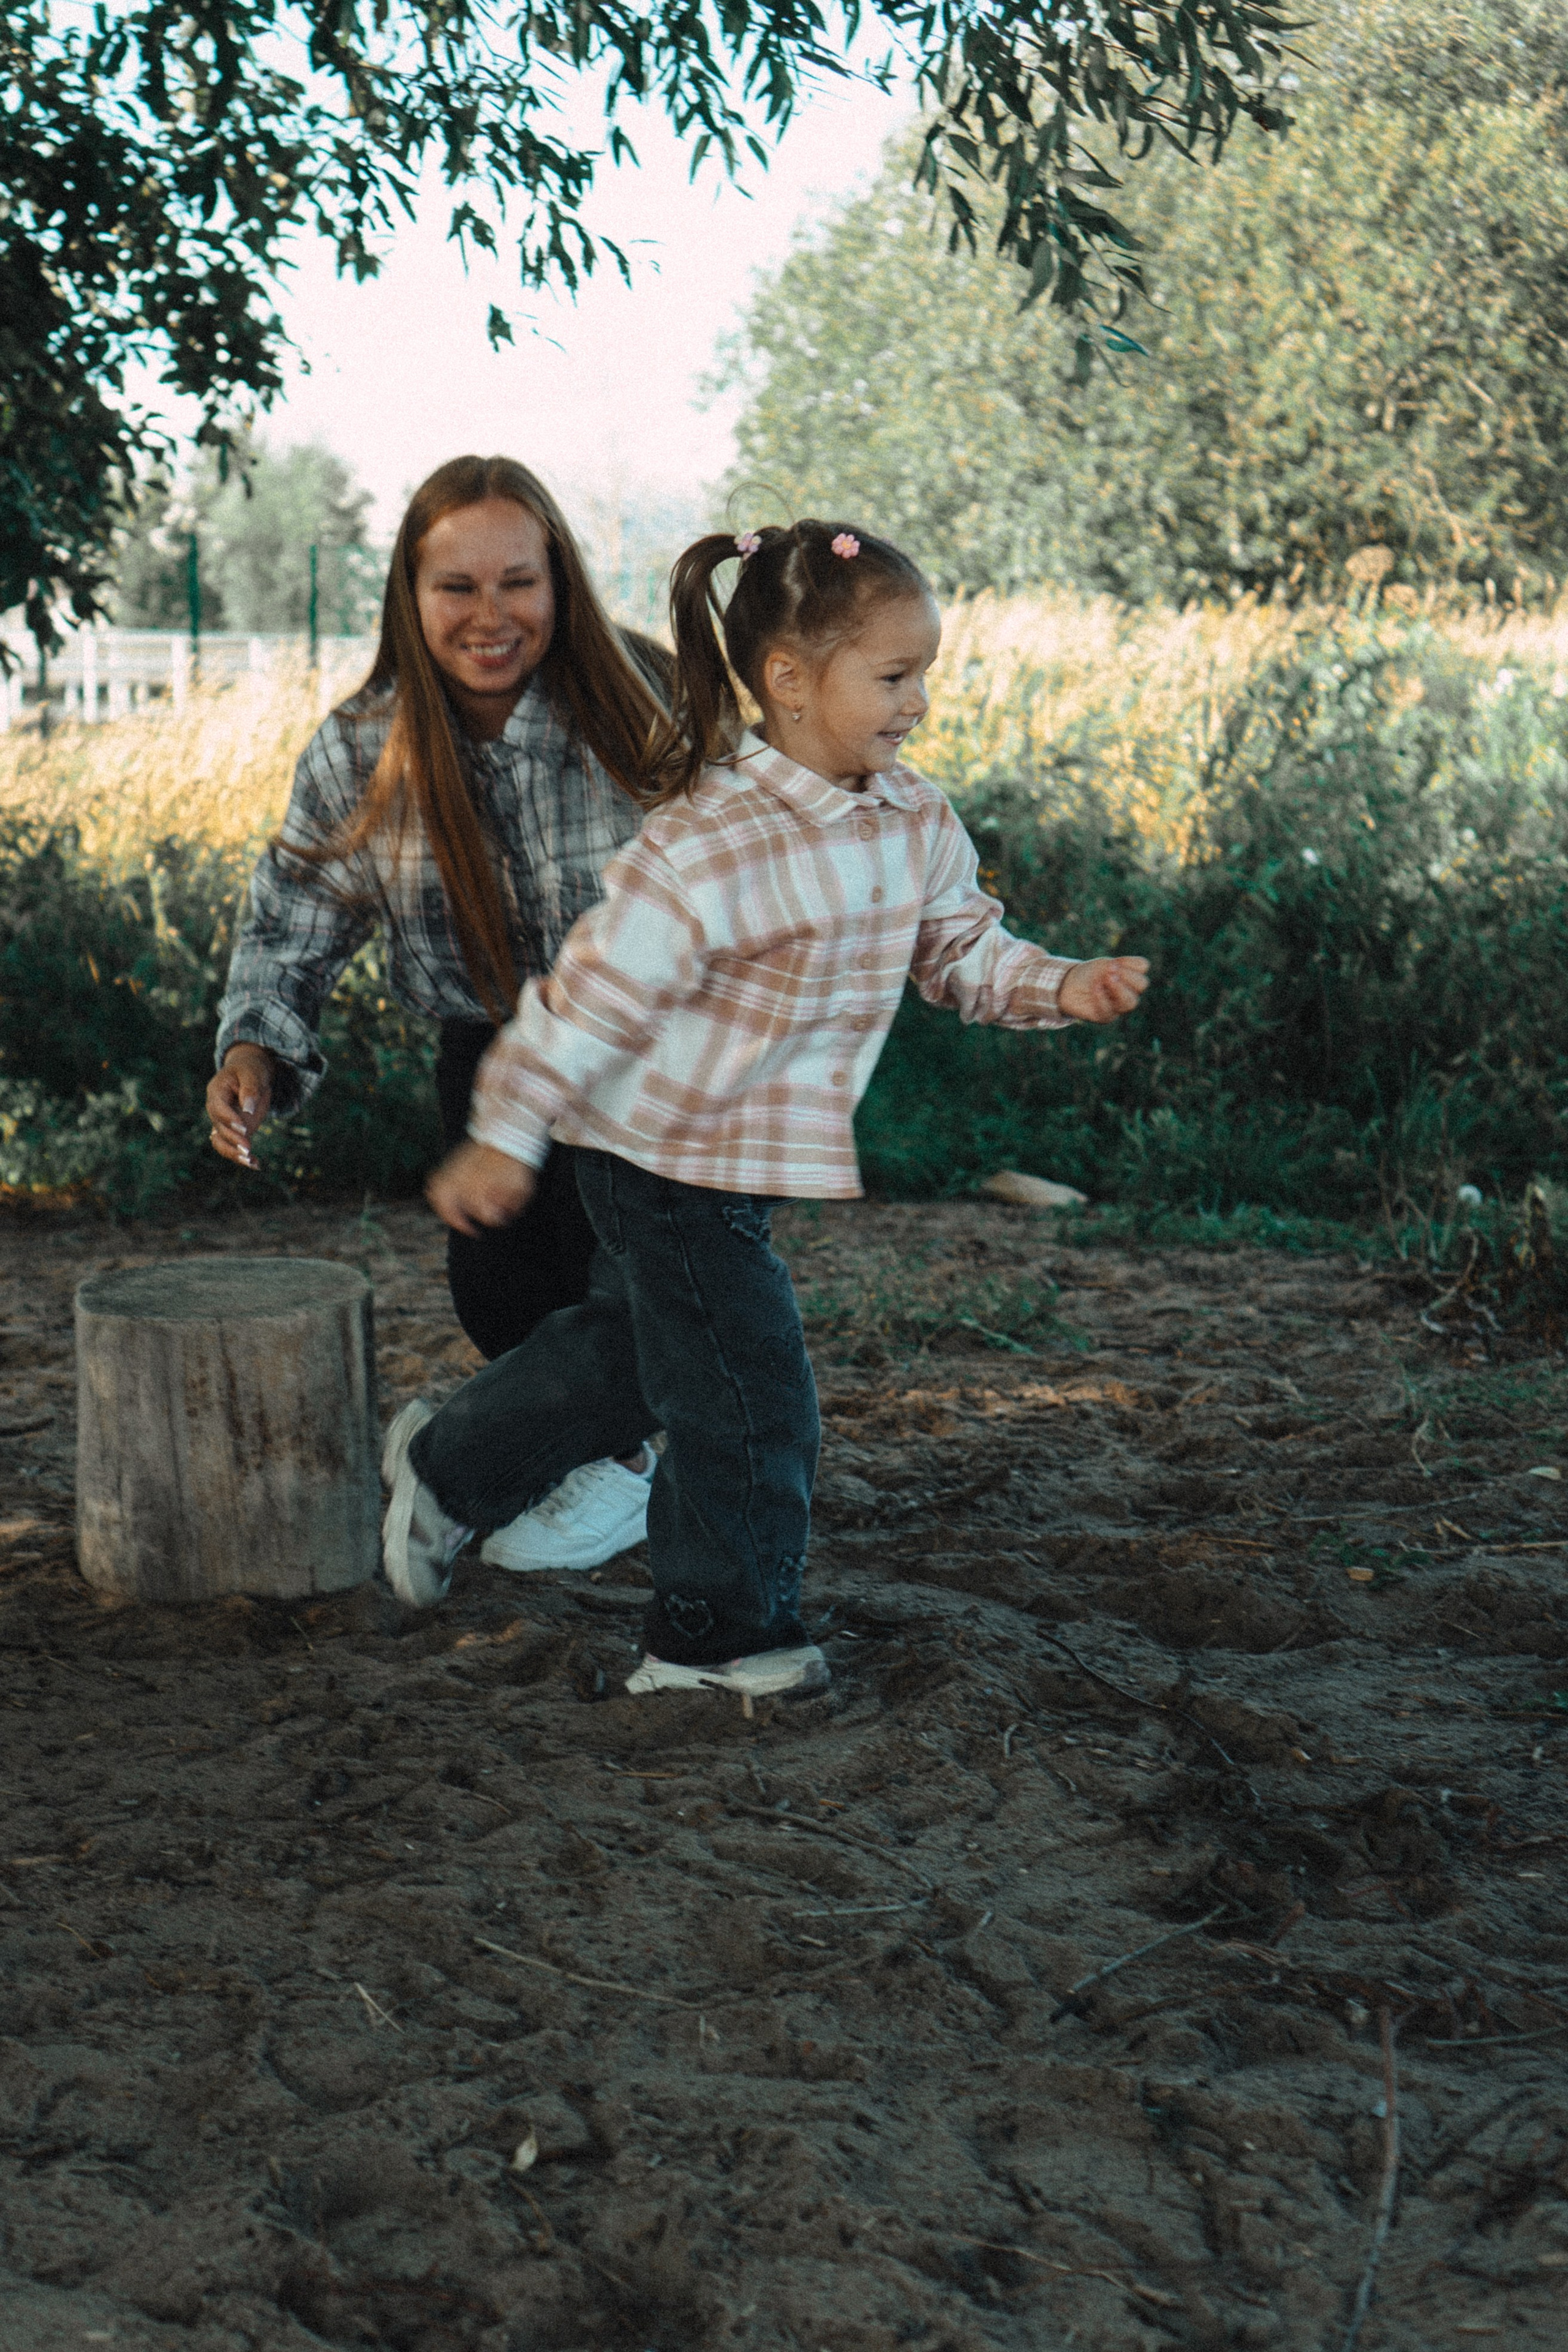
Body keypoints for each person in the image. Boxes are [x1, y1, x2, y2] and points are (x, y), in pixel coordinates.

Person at [380, 518, 1150, 1698]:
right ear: (788, 680)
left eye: (925, 672)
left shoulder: (914, 819)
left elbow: (962, 950)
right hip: (655, 1156)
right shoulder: (708, 842)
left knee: (635, 1356)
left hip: (729, 1158)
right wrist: (504, 1131)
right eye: (894, 676)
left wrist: (1060, 986)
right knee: (749, 1395)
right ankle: (714, 1639)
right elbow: (587, 999)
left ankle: (448, 1465)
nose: (919, 701)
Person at [206, 454, 669, 1572]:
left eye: (519, 581)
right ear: (409, 599)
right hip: (489, 1049)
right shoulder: (365, 747)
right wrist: (259, 1043)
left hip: (655, 1058)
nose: (490, 615)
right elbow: (295, 915)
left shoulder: (651, 708)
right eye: (456, 586)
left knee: (653, 1291)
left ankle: (552, 1467)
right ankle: (584, 1456)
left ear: (561, 583)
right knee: (502, 1287)